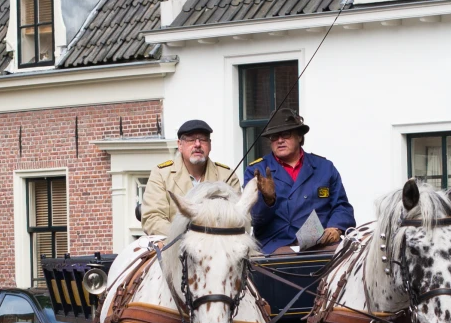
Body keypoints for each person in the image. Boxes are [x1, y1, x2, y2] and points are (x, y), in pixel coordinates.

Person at [244, 105, 355, 255]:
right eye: (274, 137)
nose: (280, 140)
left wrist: (336, 227)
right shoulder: (258, 171)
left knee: (348, 257)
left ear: (299, 136)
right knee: (283, 263)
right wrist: (268, 200)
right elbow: (254, 219)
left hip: (320, 244)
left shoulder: (324, 167)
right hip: (276, 245)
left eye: (286, 134)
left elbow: (341, 206)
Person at [140, 118, 240, 234]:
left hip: (218, 245)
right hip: (175, 247)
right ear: (180, 145)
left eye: (203, 140)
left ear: (210, 145)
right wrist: (183, 237)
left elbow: (239, 216)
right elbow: (152, 218)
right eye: (191, 140)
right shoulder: (161, 174)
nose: (197, 144)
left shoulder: (227, 176)